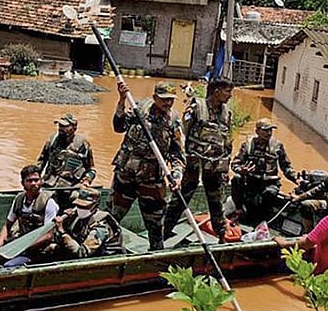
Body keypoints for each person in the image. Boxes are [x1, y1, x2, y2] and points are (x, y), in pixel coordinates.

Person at [110, 80, 185, 251]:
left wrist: (177, 175)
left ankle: (156, 259)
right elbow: (118, 127)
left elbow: (178, 154)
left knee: (156, 226)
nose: (168, 103)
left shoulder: (173, 120)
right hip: (126, 177)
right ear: (154, 97)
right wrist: (121, 100)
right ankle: (107, 252)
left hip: (152, 182)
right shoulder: (139, 109)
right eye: (164, 99)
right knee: (112, 218)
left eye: (171, 99)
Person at [163, 77, 234, 243]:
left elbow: (227, 142)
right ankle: (163, 233)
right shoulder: (196, 107)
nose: (230, 96)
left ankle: (221, 236)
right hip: (192, 165)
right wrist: (179, 163)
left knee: (216, 203)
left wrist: (226, 168)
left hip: (214, 166)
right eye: (227, 91)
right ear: (216, 91)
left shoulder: (226, 113)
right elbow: (181, 136)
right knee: (180, 200)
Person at [0, 164, 60, 267]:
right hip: (19, 243)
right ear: (23, 183)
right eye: (29, 181)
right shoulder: (19, 200)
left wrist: (19, 248)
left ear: (41, 181)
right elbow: (7, 225)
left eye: (36, 180)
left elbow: (48, 235)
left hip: (36, 248)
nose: (34, 184)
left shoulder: (48, 202)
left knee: (9, 266)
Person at [229, 118, 298, 224]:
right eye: (265, 130)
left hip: (269, 183)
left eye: (270, 130)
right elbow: (234, 164)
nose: (268, 133)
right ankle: (239, 210)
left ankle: (262, 219)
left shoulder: (277, 146)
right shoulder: (248, 145)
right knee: (236, 179)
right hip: (250, 181)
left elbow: (286, 167)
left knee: (270, 192)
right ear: (257, 131)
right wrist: (241, 170)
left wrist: (297, 179)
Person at [44, 187, 124, 260]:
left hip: (105, 261)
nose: (81, 209)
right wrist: (67, 221)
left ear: (95, 205)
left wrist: (63, 232)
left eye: (85, 206)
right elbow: (61, 239)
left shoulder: (101, 226)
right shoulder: (79, 217)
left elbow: (82, 253)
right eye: (78, 205)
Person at [36, 113, 96, 209]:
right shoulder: (52, 140)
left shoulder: (82, 144)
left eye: (64, 126)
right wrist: (35, 178)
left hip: (71, 187)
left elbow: (91, 169)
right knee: (40, 203)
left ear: (74, 128)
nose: (60, 128)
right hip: (49, 185)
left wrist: (85, 182)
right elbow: (41, 161)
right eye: (60, 125)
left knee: (76, 198)